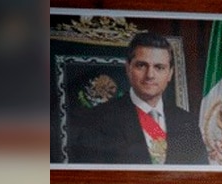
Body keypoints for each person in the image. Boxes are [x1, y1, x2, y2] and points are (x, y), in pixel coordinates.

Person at [68, 31, 209, 165]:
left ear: (170, 73)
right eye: (141, 65)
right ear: (128, 68)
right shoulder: (96, 120)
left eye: (159, 67)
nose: (150, 75)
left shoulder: (187, 122)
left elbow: (200, 180)